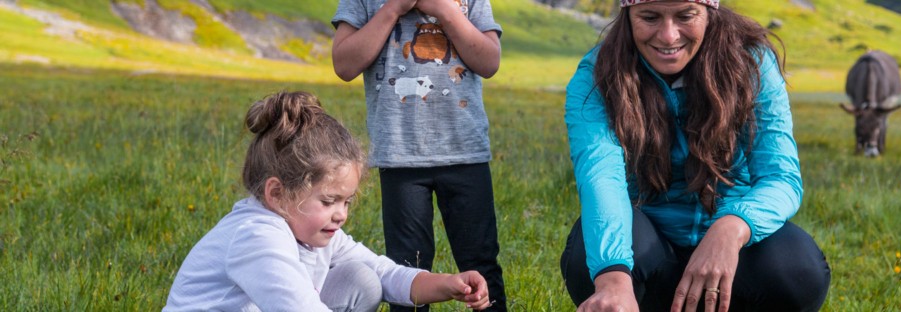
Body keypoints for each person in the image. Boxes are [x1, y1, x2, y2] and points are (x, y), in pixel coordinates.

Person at [560, 1, 831, 311]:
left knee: (799, 271)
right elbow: (601, 178)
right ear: (628, 16)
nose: (668, 35)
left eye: (685, 16)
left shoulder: (753, 62)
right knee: (588, 258)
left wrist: (731, 228)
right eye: (650, 17)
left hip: (731, 252)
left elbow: (780, 178)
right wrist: (613, 278)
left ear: (708, 11)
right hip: (651, 249)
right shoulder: (597, 75)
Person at [163, 91, 491, 312]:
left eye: (346, 202)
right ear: (277, 194)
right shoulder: (256, 236)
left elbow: (386, 274)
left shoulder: (315, 233)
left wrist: (448, 284)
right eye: (329, 201)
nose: (340, 215)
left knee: (362, 280)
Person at [330, 1, 506, 311]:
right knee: (407, 267)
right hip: (400, 157)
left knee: (481, 263)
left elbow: (489, 61)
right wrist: (393, 9)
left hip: (465, 154)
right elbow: (344, 65)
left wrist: (445, 10)